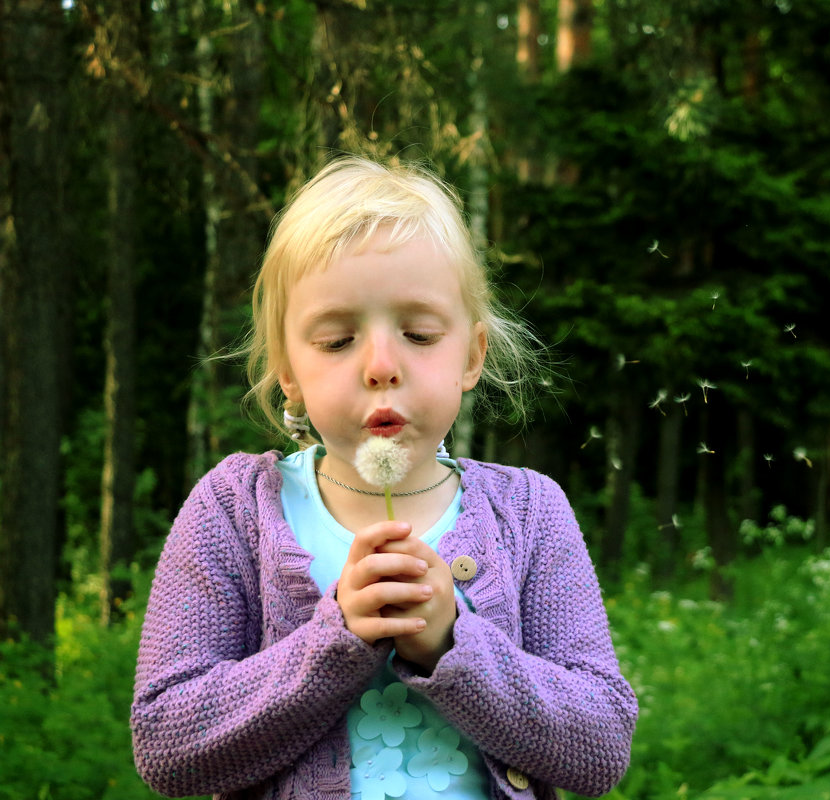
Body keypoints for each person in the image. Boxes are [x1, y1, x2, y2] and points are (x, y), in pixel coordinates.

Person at [131, 155, 638, 800]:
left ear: (472, 355)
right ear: (289, 371)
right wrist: (332, 642)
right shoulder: (234, 510)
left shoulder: (530, 512)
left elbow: (601, 745)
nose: (380, 365)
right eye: (338, 340)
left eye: (420, 334)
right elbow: (165, 743)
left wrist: (454, 643)